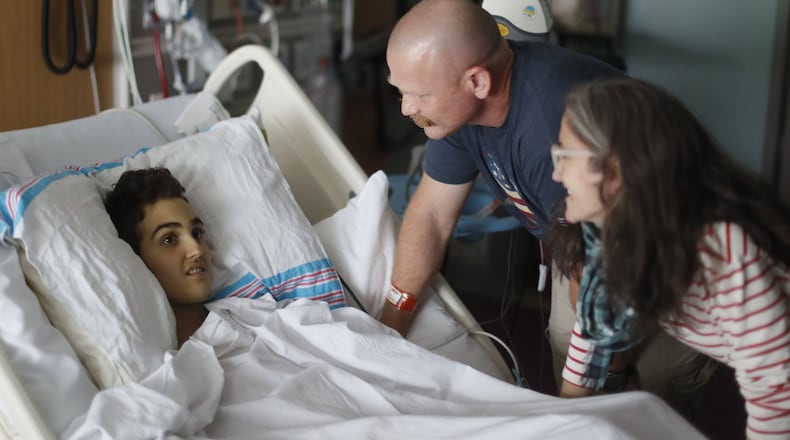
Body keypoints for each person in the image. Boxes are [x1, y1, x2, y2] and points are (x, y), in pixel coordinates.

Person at [383, 0, 708, 409]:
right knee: (570, 353)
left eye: (419, 95)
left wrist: (602, 382)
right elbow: (432, 215)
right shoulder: (455, 109)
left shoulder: (557, 131)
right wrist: (389, 326)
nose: (407, 108)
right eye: (400, 91)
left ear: (477, 82)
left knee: (634, 399)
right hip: (588, 250)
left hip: (669, 253)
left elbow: (606, 274)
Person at [551, 76, 790, 439]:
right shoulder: (610, 232)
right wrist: (559, 417)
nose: (556, 174)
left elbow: (776, 394)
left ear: (614, 171)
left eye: (565, 157)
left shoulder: (720, 248)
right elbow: (591, 330)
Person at [105, 167, 213, 347]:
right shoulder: (151, 361)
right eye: (169, 239)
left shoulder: (256, 319)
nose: (196, 249)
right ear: (136, 259)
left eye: (197, 233)